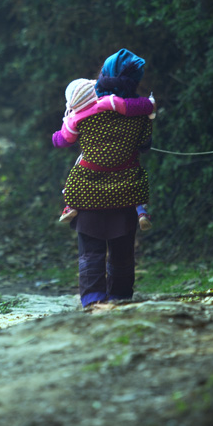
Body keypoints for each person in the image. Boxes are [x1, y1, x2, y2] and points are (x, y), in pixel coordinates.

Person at [52, 49, 155, 309]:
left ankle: (93, 300)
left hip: (87, 189)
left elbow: (62, 140)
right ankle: (120, 298)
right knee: (122, 251)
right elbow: (144, 145)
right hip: (127, 189)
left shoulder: (84, 112)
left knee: (91, 251)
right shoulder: (140, 113)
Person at [53, 77, 155, 230]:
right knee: (136, 181)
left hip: (93, 170)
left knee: (74, 180)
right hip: (127, 166)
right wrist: (150, 104)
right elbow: (133, 107)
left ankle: (71, 206)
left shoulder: (75, 119)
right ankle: (141, 211)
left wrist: (58, 133)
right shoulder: (109, 103)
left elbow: (63, 140)